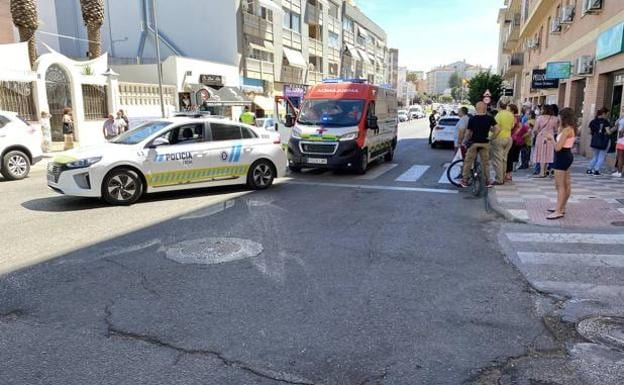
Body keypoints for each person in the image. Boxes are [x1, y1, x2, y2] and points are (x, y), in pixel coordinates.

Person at [545, 107, 577, 220]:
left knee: (560, 186)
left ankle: (558, 211)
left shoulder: (566, 130)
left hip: (562, 156)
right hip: (566, 156)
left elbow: (558, 147)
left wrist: (551, 138)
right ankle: (561, 207)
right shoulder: (569, 129)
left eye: (560, 116)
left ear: (564, 117)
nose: (558, 118)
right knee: (566, 184)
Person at [460, 102, 498, 188]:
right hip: (485, 143)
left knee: (468, 161)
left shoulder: (472, 119)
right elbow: (497, 129)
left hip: (474, 143)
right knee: (485, 163)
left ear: (476, 108)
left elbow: (468, 132)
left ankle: (465, 180)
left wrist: (465, 141)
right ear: (485, 108)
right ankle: (488, 181)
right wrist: (492, 137)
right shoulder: (489, 118)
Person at [491, 100, 514, 185]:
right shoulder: (511, 115)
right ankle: (503, 177)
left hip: (499, 138)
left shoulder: (498, 115)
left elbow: (497, 128)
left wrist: (492, 137)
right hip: (509, 138)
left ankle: (499, 179)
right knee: (504, 159)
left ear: (499, 106)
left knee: (497, 160)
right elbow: (512, 126)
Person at [531, 105, 558, 178]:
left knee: (541, 154)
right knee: (547, 154)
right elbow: (556, 130)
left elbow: (535, 129)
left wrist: (538, 132)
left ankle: (542, 173)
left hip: (541, 137)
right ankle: (545, 171)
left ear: (544, 110)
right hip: (550, 137)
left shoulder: (539, 118)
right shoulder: (555, 119)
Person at [587, 108, 615, 176]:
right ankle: (596, 170)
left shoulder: (592, 121)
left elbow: (590, 132)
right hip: (603, 141)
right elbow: (608, 132)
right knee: (601, 156)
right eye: (607, 114)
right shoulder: (605, 122)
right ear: (603, 114)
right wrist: (614, 129)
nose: (607, 116)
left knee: (595, 156)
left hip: (595, 141)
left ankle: (589, 169)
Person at [506, 104, 528, 181]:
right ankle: (509, 173)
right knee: (511, 155)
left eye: (508, 109)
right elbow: (521, 126)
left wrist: (515, 132)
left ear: (512, 110)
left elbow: (513, 126)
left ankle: (509, 174)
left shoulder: (513, 117)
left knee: (509, 156)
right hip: (514, 138)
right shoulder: (517, 117)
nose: (506, 110)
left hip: (511, 138)